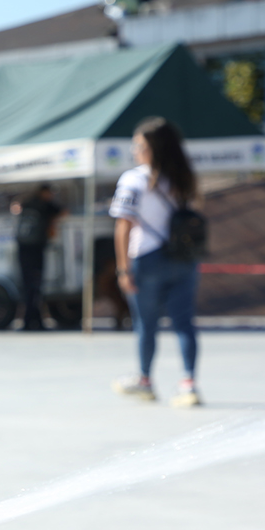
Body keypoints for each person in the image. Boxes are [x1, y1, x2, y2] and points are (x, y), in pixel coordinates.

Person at [109, 117, 201, 407]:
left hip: (147, 258)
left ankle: (145, 380)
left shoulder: (133, 179)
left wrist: (123, 268)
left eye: (139, 145)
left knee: (146, 324)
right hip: (184, 259)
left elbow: (124, 226)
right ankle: (188, 383)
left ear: (152, 149)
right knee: (184, 323)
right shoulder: (184, 178)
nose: (135, 151)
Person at [10, 183, 63, 330]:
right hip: (36, 250)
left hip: (22, 250)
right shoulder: (46, 205)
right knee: (36, 286)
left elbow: (16, 207)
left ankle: (32, 319)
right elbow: (64, 212)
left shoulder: (27, 203)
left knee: (28, 286)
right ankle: (32, 320)